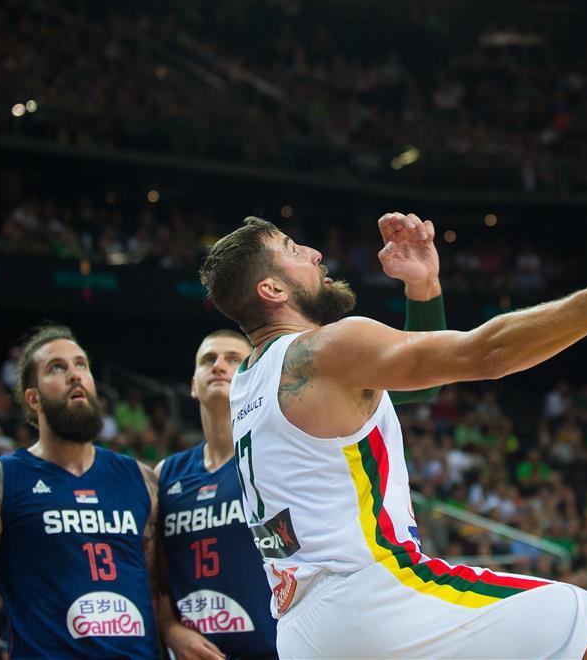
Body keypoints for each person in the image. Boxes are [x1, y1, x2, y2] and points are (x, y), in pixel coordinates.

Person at [198, 204, 587, 659]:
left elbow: (415, 390)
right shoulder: (328, 347)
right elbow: (488, 353)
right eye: (292, 248)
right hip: (380, 596)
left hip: (304, 632)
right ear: (271, 288)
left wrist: (424, 289)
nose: (314, 252)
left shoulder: (249, 382)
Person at [156, 212, 446, 660]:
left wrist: (423, 287)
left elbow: (421, 379)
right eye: (207, 359)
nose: (221, 367)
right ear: (190, 383)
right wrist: (169, 627)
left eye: (234, 358)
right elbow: (153, 570)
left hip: (303, 633)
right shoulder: (169, 476)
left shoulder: (290, 411)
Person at [0, 324, 160, 660]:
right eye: (57, 367)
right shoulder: (0, 480)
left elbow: (159, 588)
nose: (75, 375)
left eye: (81, 365)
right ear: (33, 398)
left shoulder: (140, 478)